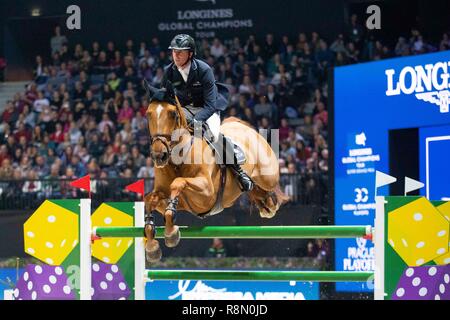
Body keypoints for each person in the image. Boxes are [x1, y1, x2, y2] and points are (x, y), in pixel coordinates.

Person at [161, 34, 253, 192]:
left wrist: (197, 120)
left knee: (214, 135)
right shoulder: (169, 71)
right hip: (185, 109)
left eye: (180, 52)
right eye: (174, 51)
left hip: (207, 109)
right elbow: (167, 98)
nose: (176, 55)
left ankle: (239, 171)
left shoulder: (204, 70)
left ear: (190, 54)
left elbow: (210, 104)